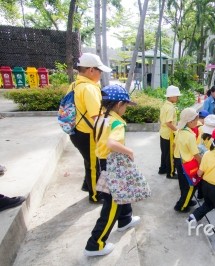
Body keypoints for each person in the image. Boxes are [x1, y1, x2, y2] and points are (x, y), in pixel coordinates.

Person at [84, 85, 140, 257]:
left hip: (104, 162)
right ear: (118, 104)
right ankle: (95, 244)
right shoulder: (117, 123)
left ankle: (125, 219)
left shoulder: (101, 117)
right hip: (112, 164)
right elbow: (112, 143)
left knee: (122, 194)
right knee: (112, 205)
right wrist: (129, 151)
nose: (125, 109)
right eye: (125, 106)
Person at [68, 52, 112, 203]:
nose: (100, 74)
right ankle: (95, 195)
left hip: (76, 131)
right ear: (91, 70)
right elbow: (97, 118)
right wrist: (108, 137)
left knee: (89, 161)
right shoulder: (89, 88)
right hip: (87, 134)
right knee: (94, 165)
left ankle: (88, 186)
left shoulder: (75, 85)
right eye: (99, 71)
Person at [173, 108, 201, 213]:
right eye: (196, 119)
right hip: (187, 163)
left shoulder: (180, 131)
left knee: (183, 184)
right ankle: (181, 206)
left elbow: (174, 145)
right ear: (190, 121)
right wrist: (202, 164)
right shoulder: (190, 136)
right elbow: (196, 154)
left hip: (178, 160)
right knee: (191, 186)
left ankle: (187, 200)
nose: (197, 121)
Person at [158, 85, 181, 179]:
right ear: (171, 96)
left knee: (164, 152)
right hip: (169, 133)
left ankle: (162, 169)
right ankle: (170, 173)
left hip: (163, 132)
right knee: (170, 154)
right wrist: (177, 130)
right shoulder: (171, 108)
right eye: (176, 96)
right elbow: (169, 123)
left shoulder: (165, 105)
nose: (178, 97)